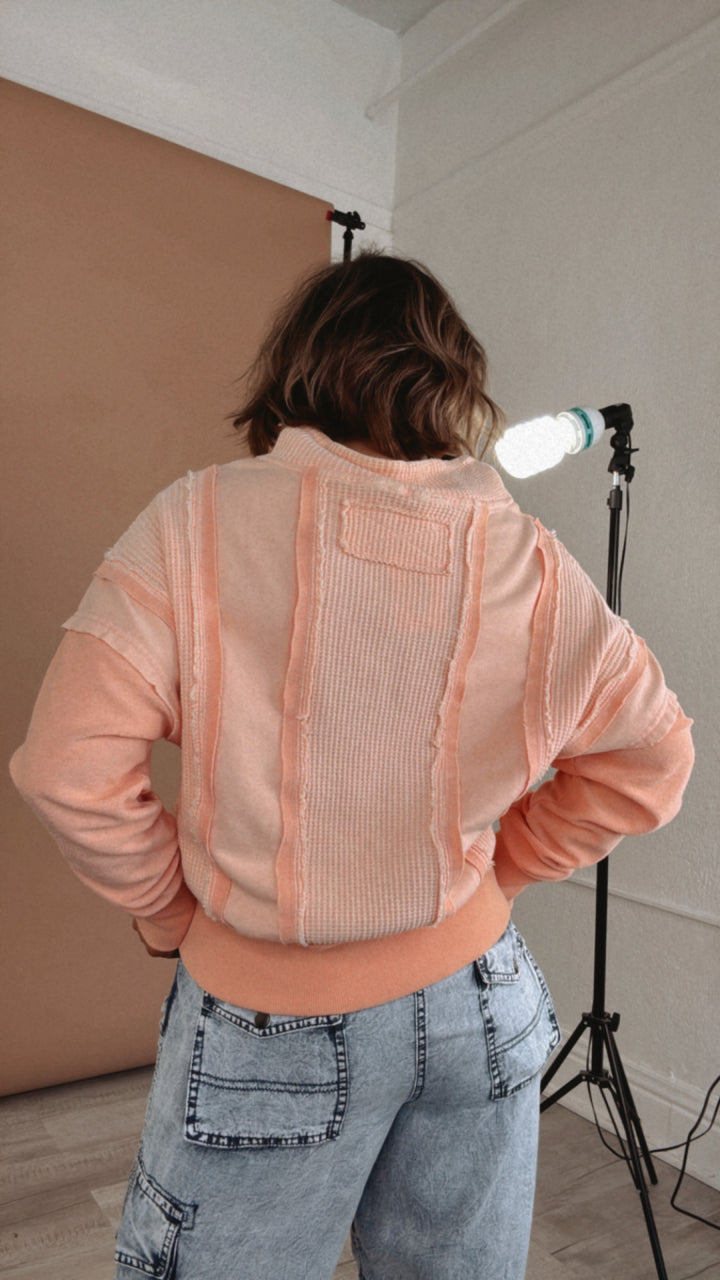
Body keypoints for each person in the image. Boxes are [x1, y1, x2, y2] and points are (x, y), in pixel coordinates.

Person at [10, 251, 694, 1280]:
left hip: (267, 1018)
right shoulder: (531, 556)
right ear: (452, 383)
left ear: (297, 367)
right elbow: (656, 754)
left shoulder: (193, 521)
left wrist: (169, 908)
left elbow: (68, 766)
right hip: (480, 1000)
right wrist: (503, 869)